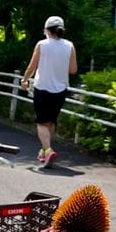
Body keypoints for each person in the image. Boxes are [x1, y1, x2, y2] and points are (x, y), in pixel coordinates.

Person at [20, 15, 77, 167]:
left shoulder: (42, 44)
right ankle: (45, 152)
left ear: (46, 30)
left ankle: (47, 149)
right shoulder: (69, 45)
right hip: (61, 90)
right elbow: (73, 70)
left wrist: (25, 80)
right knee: (51, 121)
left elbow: (32, 66)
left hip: (42, 88)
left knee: (40, 122)